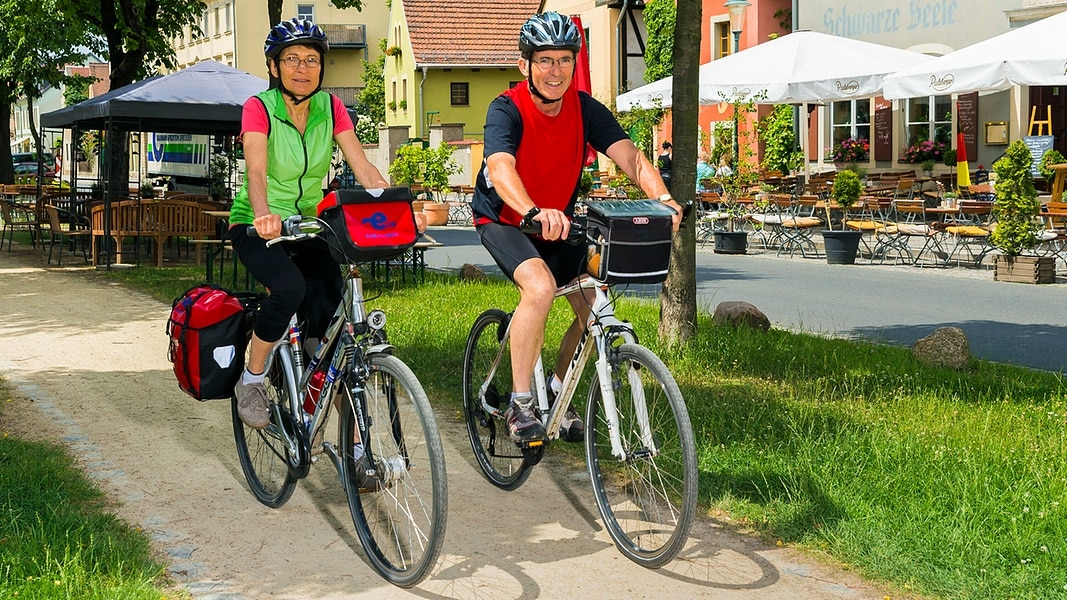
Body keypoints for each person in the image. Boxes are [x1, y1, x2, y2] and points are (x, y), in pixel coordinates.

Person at [471, 11, 682, 444]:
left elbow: (632, 159)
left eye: (564, 60)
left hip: (558, 223)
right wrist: (533, 210)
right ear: (524, 65)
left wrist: (662, 199)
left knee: (595, 304)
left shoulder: (584, 109)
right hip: (507, 219)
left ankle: (556, 387)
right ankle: (521, 403)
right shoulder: (506, 109)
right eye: (544, 60)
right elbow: (501, 165)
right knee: (540, 287)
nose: (555, 71)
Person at [229, 18, 390, 429]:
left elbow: (363, 165)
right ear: (274, 67)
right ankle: (252, 379)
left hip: (310, 224)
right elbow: (257, 172)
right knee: (289, 289)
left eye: (312, 60)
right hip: (257, 224)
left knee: (330, 311)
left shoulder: (331, 107)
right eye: (292, 59)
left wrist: (392, 203)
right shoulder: (259, 108)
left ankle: (354, 445)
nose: (303, 68)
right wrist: (264, 214)